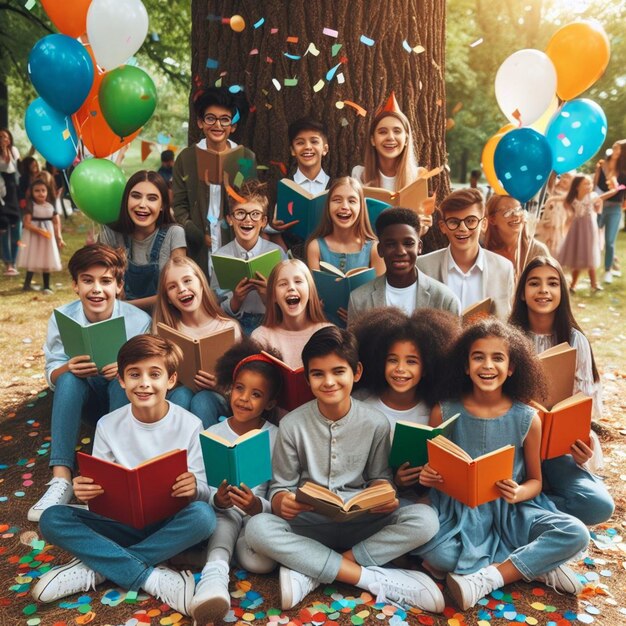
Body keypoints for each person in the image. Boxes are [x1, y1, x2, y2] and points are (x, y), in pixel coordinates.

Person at [245, 326, 444, 613]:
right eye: (318, 374)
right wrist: (282, 502)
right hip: (309, 524)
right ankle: (368, 578)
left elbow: (381, 480)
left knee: (426, 519)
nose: (329, 382)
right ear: (308, 378)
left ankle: (313, 570)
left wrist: (383, 495)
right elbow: (280, 487)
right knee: (257, 527)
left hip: (360, 524)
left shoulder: (376, 422)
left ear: (357, 372)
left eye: (338, 371)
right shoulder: (292, 425)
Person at [33, 335, 216, 616]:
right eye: (134, 374)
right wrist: (86, 492)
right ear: (121, 380)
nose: (144, 383)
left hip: (169, 524)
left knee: (203, 517)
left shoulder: (190, 424)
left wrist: (194, 488)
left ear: (171, 380)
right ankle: (150, 576)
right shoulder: (108, 425)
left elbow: (204, 490)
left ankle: (99, 569)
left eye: (154, 374)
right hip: (120, 523)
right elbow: (101, 490)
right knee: (52, 518)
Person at [415, 319, 589, 610]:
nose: (487, 365)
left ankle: (491, 577)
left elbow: (535, 481)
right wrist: (428, 476)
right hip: (458, 511)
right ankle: (536, 563)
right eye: (478, 357)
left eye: (498, 358)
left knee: (576, 533)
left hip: (513, 511)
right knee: (440, 557)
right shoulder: (443, 410)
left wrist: (520, 493)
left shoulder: (527, 417)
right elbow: (431, 468)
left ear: (511, 368)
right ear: (465, 365)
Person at [27, 244, 152, 522]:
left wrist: (125, 373)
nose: (97, 289)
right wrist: (66, 368)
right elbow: (51, 371)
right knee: (69, 378)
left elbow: (147, 376)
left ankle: (109, 471)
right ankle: (61, 478)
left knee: (125, 382)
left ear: (119, 286)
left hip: (120, 400)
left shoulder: (138, 320)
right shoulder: (62, 317)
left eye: (105, 281)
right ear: (75, 285)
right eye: (88, 280)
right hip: (83, 398)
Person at [509, 256, 614, 525]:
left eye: (552, 283)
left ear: (561, 292)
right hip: (514, 446)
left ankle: (527, 508)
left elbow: (582, 406)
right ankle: (527, 502)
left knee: (599, 506)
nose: (543, 290)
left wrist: (582, 446)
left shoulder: (576, 340)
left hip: (558, 450)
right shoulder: (508, 337)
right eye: (534, 283)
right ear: (522, 293)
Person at [191, 339, 282, 623]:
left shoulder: (276, 436)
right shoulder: (212, 432)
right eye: (239, 388)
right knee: (225, 519)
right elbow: (199, 484)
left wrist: (257, 506)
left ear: (269, 402)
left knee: (260, 563)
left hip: (257, 516)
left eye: (256, 394)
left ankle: (219, 554)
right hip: (223, 512)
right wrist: (217, 499)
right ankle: (215, 575)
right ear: (230, 388)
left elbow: (279, 490)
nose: (244, 398)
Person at [353, 307, 460, 491]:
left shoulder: (436, 411)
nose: (400, 369)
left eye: (411, 361)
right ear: (379, 362)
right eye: (392, 360)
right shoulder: (361, 407)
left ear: (426, 368)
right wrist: (394, 481)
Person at [153, 255, 242, 427]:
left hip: (220, 397)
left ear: (201, 284)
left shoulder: (229, 327)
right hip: (179, 396)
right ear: (168, 298)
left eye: (187, 280)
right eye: (172, 287)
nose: (181, 289)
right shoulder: (164, 331)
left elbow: (241, 383)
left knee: (202, 399)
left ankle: (206, 453)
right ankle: (175, 452)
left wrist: (218, 385)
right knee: (182, 395)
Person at [172, 87, 248, 276]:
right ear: (200, 122)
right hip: (198, 242)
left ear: (233, 125)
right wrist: (195, 232)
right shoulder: (186, 158)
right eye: (210, 118)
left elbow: (250, 201)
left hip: (234, 239)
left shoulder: (245, 157)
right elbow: (179, 205)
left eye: (225, 119)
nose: (218, 125)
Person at [416, 188, 515, 319]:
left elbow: (508, 322)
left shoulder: (503, 268)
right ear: (443, 227)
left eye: (470, 221)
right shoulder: (423, 267)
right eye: (454, 222)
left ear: (484, 224)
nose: (462, 228)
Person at [348, 208, 460, 322]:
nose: (401, 251)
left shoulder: (445, 299)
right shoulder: (359, 300)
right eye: (391, 244)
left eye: (408, 243)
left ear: (419, 247)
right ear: (380, 249)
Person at [99, 170, 186, 310]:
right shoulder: (111, 233)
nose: (142, 204)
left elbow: (177, 292)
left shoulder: (174, 234)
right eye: (136, 196)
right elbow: (102, 285)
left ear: (163, 205)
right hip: (120, 319)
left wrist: (126, 306)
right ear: (126, 199)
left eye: (152, 198)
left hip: (162, 319)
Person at [351, 95, 434, 237]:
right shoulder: (359, 174)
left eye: (397, 131)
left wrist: (423, 224)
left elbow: (419, 230)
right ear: (372, 140)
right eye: (383, 132)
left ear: (406, 139)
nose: (390, 137)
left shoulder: (418, 175)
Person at [211, 180, 287, 335]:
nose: (247, 219)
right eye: (240, 213)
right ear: (230, 219)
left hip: (271, 323)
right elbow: (215, 305)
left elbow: (288, 299)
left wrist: (268, 297)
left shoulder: (277, 253)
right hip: (234, 325)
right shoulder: (220, 256)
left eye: (255, 214)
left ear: (263, 221)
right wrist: (235, 301)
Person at [251, 259, 330, 369]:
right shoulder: (261, 337)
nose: (291, 287)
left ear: (311, 292)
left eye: (298, 281)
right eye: (283, 284)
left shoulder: (328, 332)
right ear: (273, 296)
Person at [270, 117, 330, 254]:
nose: (307, 147)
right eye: (300, 142)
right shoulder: (282, 187)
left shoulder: (335, 187)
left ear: (325, 148)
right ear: (292, 150)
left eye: (314, 141)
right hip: (291, 259)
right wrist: (273, 226)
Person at [306, 176, 385, 275]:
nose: (344, 207)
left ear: (361, 207)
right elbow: (313, 289)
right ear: (328, 206)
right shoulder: (315, 247)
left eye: (352, 201)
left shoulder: (375, 249)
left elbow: (380, 289)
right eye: (337, 200)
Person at [557, 174, 618, 294]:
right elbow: (566, 207)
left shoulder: (592, 196)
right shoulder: (572, 199)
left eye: (590, 183)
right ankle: (573, 285)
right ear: (577, 186)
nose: (589, 186)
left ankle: (593, 284)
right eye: (586, 183)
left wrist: (614, 187)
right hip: (576, 230)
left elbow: (607, 195)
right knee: (578, 257)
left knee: (589, 256)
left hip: (589, 230)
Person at [484, 194, 550, 281]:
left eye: (518, 210)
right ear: (492, 219)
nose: (516, 216)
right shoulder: (484, 252)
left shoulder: (537, 251)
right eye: (507, 212)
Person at [16, 178, 64, 293]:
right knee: (33, 256)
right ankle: (27, 284)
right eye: (37, 191)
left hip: (47, 237)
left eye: (43, 190)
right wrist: (39, 230)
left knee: (47, 257)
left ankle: (46, 285)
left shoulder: (50, 206)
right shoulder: (31, 206)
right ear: (32, 193)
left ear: (47, 192)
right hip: (34, 236)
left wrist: (59, 237)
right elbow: (27, 223)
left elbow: (56, 222)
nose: (40, 193)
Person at [594, 140, 626, 283]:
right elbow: (594, 185)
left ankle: (608, 270)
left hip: (615, 208)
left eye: (618, 148)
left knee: (609, 241)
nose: (614, 150)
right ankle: (590, 270)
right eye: (614, 147)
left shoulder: (624, 170)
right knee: (592, 238)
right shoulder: (602, 165)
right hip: (598, 206)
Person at [535, 172, 574, 256]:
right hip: (546, 223)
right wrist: (554, 172)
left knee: (554, 248)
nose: (565, 179)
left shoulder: (568, 196)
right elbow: (551, 180)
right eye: (564, 176)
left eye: (568, 178)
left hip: (558, 226)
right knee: (541, 245)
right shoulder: (553, 189)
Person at [0, 128, 22, 276]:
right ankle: (7, 262)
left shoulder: (14, 150)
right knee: (3, 230)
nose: (4, 139)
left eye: (6, 137)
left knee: (16, 230)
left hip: (13, 192)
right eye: (1, 137)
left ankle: (14, 261)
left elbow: (13, 168)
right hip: (1, 193)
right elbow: (4, 167)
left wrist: (7, 150)